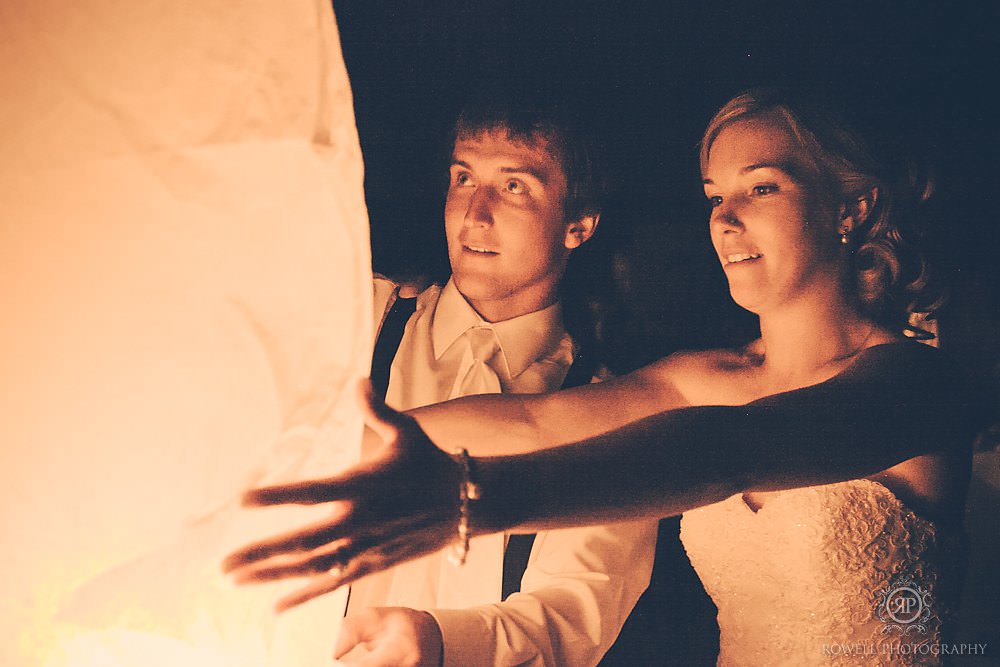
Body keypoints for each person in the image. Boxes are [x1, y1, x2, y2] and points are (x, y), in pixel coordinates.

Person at [225, 89, 978, 665]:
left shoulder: (917, 382)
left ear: (853, 207)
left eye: (761, 188)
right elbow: (537, 423)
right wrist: (338, 446)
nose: (724, 218)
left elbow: (727, 451)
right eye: (714, 195)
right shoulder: (703, 375)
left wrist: (469, 502)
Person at [335, 99, 657, 667]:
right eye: (464, 178)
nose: (473, 215)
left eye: (513, 187)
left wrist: (438, 642)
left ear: (579, 225)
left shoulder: (609, 408)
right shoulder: (357, 316)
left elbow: (574, 611)